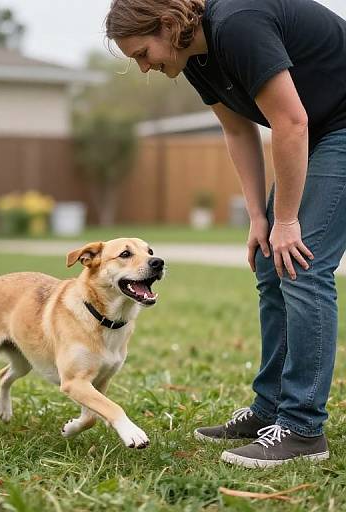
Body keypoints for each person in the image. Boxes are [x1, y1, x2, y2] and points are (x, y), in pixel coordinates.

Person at [105, 0, 346, 468]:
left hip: (337, 126)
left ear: (168, 25)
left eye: (141, 52)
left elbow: (290, 121)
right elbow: (238, 133)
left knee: (303, 262)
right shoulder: (194, 60)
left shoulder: (237, 26)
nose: (144, 66)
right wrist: (259, 217)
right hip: (315, 128)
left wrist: (288, 221)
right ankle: (269, 410)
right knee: (270, 261)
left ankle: (302, 429)